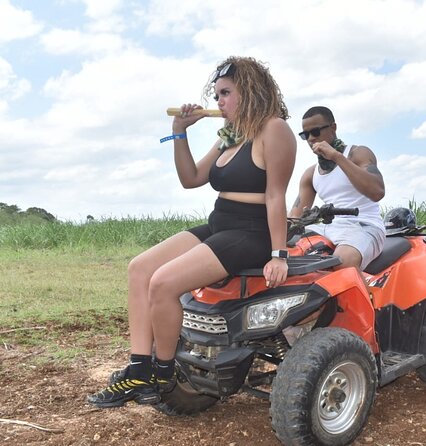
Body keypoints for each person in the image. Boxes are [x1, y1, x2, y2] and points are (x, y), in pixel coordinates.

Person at [87, 56, 296, 408]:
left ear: (250, 91)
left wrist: (279, 254)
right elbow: (190, 179)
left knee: (163, 283)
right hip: (220, 223)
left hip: (251, 232)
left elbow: (276, 194)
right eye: (217, 95)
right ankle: (140, 369)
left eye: (226, 93)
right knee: (140, 269)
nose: (219, 102)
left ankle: (163, 375)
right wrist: (179, 131)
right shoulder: (230, 135)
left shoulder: (273, 129)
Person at [289, 106, 385, 271]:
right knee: (290, 254)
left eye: (316, 132)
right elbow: (295, 217)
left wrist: (336, 156)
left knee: (341, 263)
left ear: (333, 128)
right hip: (328, 227)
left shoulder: (357, 154)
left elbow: (377, 192)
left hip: (363, 225)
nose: (311, 138)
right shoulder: (310, 175)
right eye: (305, 135)